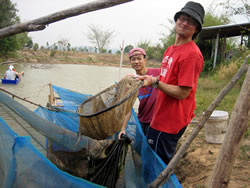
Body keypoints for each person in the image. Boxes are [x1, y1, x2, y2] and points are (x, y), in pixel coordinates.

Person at [137, 1, 205, 165]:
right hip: (159, 116)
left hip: (169, 121)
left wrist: (154, 82)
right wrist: (147, 78)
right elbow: (165, 78)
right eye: (182, 18)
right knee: (151, 161)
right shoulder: (170, 50)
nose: (185, 23)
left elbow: (183, 92)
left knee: (157, 165)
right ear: (176, 20)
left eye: (191, 21)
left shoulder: (191, 54)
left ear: (196, 29)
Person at [118, 48, 160, 139]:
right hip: (141, 120)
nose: (136, 62)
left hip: (156, 121)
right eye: (133, 59)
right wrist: (123, 129)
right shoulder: (131, 81)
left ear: (145, 60)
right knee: (140, 148)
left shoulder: (158, 72)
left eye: (139, 58)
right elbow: (128, 108)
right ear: (130, 62)